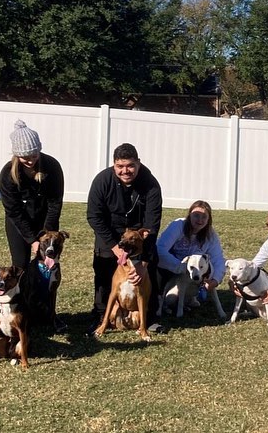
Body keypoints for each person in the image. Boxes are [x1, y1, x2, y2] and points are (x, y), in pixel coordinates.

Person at [87, 143, 163, 333]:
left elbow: (152, 226)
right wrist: (114, 246)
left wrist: (143, 264)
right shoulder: (102, 181)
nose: (125, 171)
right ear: (114, 165)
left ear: (138, 163)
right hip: (110, 232)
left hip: (138, 234)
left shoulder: (151, 185)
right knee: (104, 267)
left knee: (150, 268)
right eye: (120, 166)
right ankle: (101, 316)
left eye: (130, 165)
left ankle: (149, 316)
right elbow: (94, 216)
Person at [0, 119, 64, 269]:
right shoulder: (7, 174)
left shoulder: (52, 166)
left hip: (45, 220)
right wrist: (32, 240)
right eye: (25, 157)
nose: (30, 161)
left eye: (34, 155)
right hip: (18, 223)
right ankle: (21, 292)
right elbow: (13, 210)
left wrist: (46, 235)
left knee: (47, 265)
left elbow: (55, 203)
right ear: (16, 155)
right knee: (20, 265)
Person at [156, 200, 226, 308]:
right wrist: (182, 267)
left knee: (174, 301)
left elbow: (218, 259)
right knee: (165, 299)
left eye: (204, 217)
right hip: (169, 269)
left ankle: (188, 298)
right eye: (196, 215)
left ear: (209, 220)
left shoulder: (210, 235)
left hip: (193, 274)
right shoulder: (178, 225)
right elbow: (160, 250)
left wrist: (215, 280)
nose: (200, 220)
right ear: (189, 216)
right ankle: (159, 296)